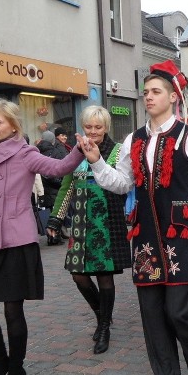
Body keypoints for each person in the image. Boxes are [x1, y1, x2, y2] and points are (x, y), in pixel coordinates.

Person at [83, 60, 188, 375]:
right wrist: (96, 163)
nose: (148, 97)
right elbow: (123, 184)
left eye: (155, 92)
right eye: (146, 92)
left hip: (181, 237)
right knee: (152, 315)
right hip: (147, 240)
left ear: (172, 97)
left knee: (180, 313)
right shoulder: (132, 139)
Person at [0, 99, 86, 375]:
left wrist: (79, 149)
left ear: (14, 125)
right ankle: (0, 363)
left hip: (16, 241)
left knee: (12, 309)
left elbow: (58, 168)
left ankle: (15, 370)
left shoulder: (25, 154)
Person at [45, 106, 130, 354]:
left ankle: (103, 326)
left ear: (106, 128)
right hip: (81, 223)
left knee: (104, 276)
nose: (92, 132)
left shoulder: (116, 151)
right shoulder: (76, 153)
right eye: (88, 127)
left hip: (106, 222)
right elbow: (66, 188)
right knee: (78, 275)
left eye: (98, 127)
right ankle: (101, 314)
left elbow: (123, 184)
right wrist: (55, 220)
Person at [36, 130, 68, 245]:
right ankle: (54, 238)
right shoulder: (55, 152)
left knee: (48, 212)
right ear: (52, 140)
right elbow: (61, 168)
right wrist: (61, 182)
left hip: (42, 187)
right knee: (56, 212)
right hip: (54, 187)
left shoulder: (36, 151)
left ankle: (50, 237)